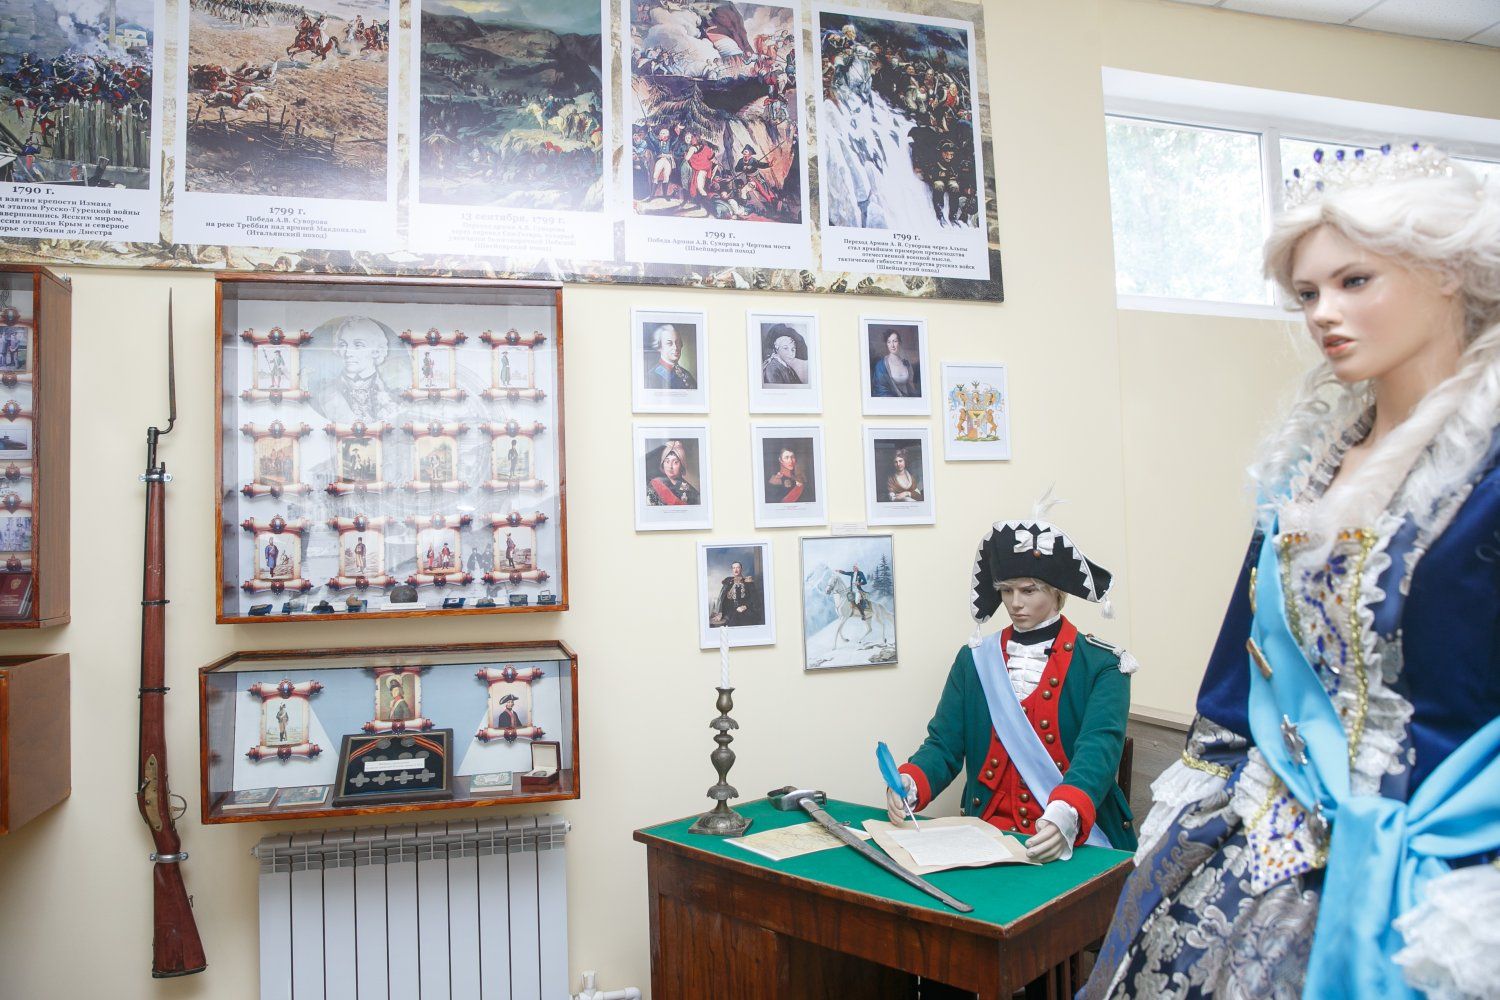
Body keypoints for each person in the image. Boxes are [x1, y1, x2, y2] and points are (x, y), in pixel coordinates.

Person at [1084, 146, 1500, 1000]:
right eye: (1307, 294)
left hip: (1440, 880)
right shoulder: (1310, 465)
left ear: (1449, 274)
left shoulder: (1485, 476)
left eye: (1354, 281)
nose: (1323, 314)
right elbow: (1245, 662)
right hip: (1268, 841)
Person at [886, 507, 1136, 873]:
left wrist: (1065, 814)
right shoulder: (975, 659)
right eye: (1006, 590)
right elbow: (944, 744)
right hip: (986, 836)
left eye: (1028, 590)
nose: (1015, 603)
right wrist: (912, 780)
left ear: (1056, 590)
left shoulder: (1104, 665)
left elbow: (1098, 751)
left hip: (1071, 836)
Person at [647, 439, 699, 506]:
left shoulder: (688, 490)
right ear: (662, 463)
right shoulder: (656, 483)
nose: (670, 466)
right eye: (667, 461)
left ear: (682, 465)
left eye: (675, 462)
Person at [645, 324, 696, 390]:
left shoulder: (686, 374)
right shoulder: (651, 377)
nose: (675, 347)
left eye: (678, 343)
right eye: (669, 343)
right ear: (659, 347)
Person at [871, 328, 919, 397]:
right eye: (889, 342)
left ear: (899, 343)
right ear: (886, 344)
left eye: (895, 341)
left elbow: (911, 386)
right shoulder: (881, 366)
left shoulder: (906, 363)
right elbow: (881, 391)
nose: (892, 345)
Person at [717, 560, 763, 627]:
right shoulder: (729, 582)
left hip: (745, 611)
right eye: (734, 568)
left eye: (738, 567)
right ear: (732, 570)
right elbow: (724, 600)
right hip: (731, 611)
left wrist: (745, 606)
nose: (736, 570)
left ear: (741, 569)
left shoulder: (748, 582)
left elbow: (755, 599)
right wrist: (721, 612)